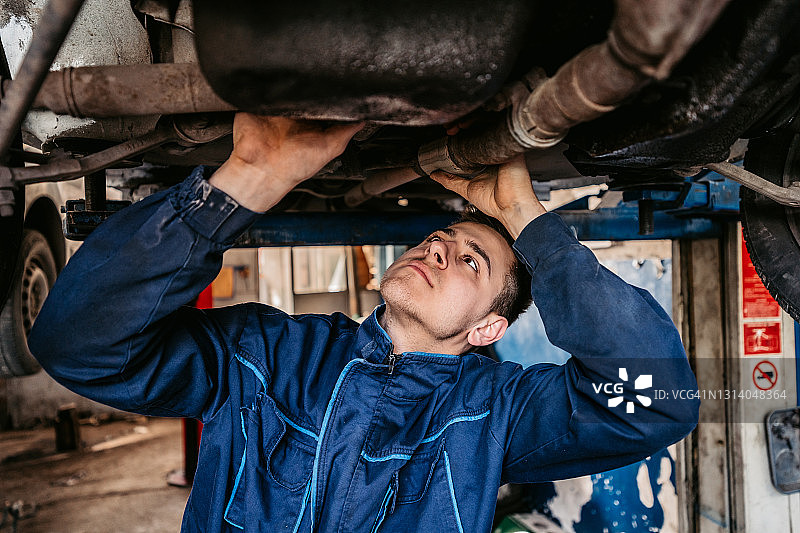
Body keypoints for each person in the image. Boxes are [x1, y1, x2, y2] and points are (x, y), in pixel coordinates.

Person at [29, 113, 699, 532]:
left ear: (487, 330)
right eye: (438, 239)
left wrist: (528, 219)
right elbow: (79, 345)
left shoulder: (495, 411)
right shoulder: (268, 354)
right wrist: (244, 180)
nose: (439, 249)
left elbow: (656, 401)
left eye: (471, 261)